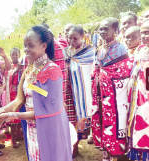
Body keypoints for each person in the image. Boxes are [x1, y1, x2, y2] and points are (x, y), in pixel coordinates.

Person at [0, 25, 72, 161]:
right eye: (25, 45)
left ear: (44, 46)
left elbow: (47, 111)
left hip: (48, 130)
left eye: (30, 46)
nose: (26, 50)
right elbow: (22, 98)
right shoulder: (30, 68)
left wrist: (9, 114)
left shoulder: (52, 70)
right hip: (32, 129)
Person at [91, 17, 131, 161]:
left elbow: (123, 72)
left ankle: (118, 153)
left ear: (115, 30)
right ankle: (106, 151)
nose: (102, 31)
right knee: (102, 120)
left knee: (116, 122)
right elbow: (96, 70)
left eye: (106, 28)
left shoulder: (120, 48)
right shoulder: (99, 49)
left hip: (115, 95)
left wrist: (105, 76)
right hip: (101, 92)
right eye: (100, 29)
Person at [64, 25, 95, 157]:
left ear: (83, 37)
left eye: (75, 38)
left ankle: (75, 149)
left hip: (82, 93)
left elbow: (91, 71)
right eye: (69, 38)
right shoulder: (65, 52)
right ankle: (70, 148)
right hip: (68, 93)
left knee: (79, 120)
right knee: (69, 121)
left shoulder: (90, 51)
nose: (71, 41)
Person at [127, 20, 149, 161]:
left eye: (147, 32)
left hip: (148, 97)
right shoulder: (141, 49)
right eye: (142, 32)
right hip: (137, 94)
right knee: (137, 123)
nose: (143, 36)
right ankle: (137, 155)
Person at [5, 47, 23, 149]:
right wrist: (15, 71)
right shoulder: (9, 66)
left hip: (19, 93)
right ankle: (13, 139)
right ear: (10, 55)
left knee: (18, 116)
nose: (14, 56)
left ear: (19, 55)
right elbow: (8, 79)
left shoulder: (22, 65)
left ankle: (18, 134)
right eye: (13, 54)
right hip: (11, 94)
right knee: (12, 116)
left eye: (16, 54)